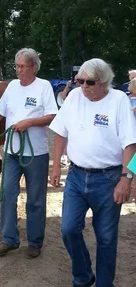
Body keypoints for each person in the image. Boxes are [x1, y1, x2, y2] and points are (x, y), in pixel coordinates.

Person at [49, 58, 136, 287]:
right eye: (80, 81)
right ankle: (83, 276)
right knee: (68, 230)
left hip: (109, 179)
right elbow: (60, 133)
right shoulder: (75, 96)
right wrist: (56, 165)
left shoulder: (119, 101)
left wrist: (127, 179)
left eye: (89, 82)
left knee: (106, 238)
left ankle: (104, 283)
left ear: (104, 82)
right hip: (76, 176)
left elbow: (132, 145)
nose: (83, 86)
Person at [0, 48, 58, 258]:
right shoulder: (11, 86)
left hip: (35, 153)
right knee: (7, 194)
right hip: (11, 152)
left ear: (34, 67)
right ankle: (9, 239)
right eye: (16, 66)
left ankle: (35, 241)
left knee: (35, 199)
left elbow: (52, 115)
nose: (18, 70)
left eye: (22, 66)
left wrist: (29, 122)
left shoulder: (44, 87)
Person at [60, 75, 80, 165]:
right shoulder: (73, 91)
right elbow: (63, 97)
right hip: (73, 118)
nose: (76, 82)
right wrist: (67, 86)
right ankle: (65, 156)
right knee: (67, 137)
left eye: (78, 80)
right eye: (75, 80)